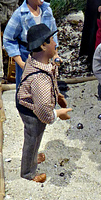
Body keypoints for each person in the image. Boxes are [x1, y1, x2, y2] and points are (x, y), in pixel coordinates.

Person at [16, 23, 72, 182]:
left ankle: (32, 158)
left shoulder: (37, 60)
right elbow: (43, 113)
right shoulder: (40, 79)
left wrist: (58, 95)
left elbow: (52, 70)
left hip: (33, 103)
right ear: (42, 45)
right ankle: (28, 173)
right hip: (30, 110)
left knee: (36, 138)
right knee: (32, 138)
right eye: (52, 40)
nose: (55, 43)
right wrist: (58, 113)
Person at [3, 0, 58, 89]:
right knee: (27, 86)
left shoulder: (47, 11)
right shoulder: (20, 15)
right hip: (26, 54)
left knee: (46, 85)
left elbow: (53, 33)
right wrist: (21, 63)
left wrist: (55, 53)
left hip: (45, 53)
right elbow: (8, 39)